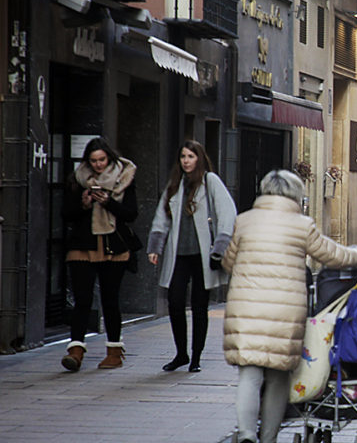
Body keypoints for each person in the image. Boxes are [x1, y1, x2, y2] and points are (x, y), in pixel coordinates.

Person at [222, 170, 357, 443]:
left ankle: (247, 440)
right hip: (284, 313)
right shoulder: (301, 225)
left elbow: (228, 262)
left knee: (249, 376)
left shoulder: (244, 221)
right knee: (276, 378)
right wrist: (356, 254)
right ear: (295, 195)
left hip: (245, 309)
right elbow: (330, 254)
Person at [148, 140, 237, 373]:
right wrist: (155, 246)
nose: (186, 161)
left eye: (191, 156)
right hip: (178, 254)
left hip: (204, 255)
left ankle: (196, 357)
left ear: (199, 158)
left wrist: (221, 246)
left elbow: (227, 212)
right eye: (183, 157)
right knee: (175, 302)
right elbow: (161, 217)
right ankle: (181, 353)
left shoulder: (210, 181)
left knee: (199, 306)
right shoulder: (175, 185)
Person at [60, 137, 139, 372]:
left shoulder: (124, 178)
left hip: (113, 246)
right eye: (93, 161)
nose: (98, 165)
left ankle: (114, 352)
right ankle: (75, 351)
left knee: (110, 299)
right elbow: (66, 213)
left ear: (109, 157)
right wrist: (83, 204)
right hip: (82, 245)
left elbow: (131, 214)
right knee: (82, 299)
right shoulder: (77, 179)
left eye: (102, 160)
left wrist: (108, 203)